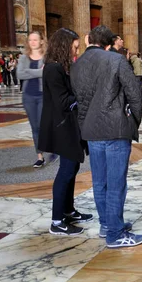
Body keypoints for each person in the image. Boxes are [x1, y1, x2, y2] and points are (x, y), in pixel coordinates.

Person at [70, 25, 142, 248]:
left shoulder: (77, 64)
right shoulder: (116, 60)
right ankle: (115, 233)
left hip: (91, 130)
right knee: (116, 183)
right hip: (115, 129)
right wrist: (133, 122)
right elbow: (135, 94)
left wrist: (85, 127)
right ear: (109, 43)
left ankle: (107, 224)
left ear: (87, 39)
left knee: (100, 182)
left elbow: (79, 102)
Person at [39, 28, 93, 236]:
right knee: (66, 171)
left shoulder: (61, 67)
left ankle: (68, 210)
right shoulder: (53, 69)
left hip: (68, 125)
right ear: (65, 45)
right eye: (75, 47)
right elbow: (62, 101)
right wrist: (84, 96)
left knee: (72, 168)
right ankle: (57, 221)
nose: (76, 51)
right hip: (61, 126)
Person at [18, 31, 52, 168]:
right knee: (35, 127)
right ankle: (40, 156)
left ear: (41, 41)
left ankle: (53, 147)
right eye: (30, 40)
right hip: (28, 96)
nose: (32, 42)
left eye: (35, 40)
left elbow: (48, 73)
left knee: (44, 125)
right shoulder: (23, 58)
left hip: (43, 95)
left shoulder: (47, 57)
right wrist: (39, 72)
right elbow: (20, 74)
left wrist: (29, 72)